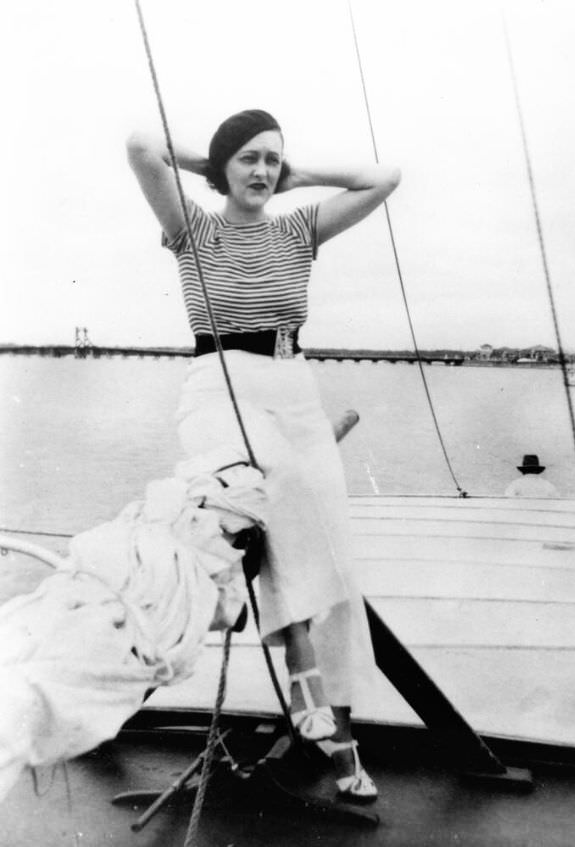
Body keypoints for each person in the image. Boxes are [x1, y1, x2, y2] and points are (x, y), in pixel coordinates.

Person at [126, 108, 401, 800]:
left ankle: (339, 729)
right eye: (248, 158)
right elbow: (140, 144)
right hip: (220, 384)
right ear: (224, 167)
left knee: (331, 554)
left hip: (294, 385)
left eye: (272, 160)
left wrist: (298, 174)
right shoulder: (192, 226)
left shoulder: (298, 227)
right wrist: (209, 164)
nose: (262, 171)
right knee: (265, 493)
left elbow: (385, 176)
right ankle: (301, 665)